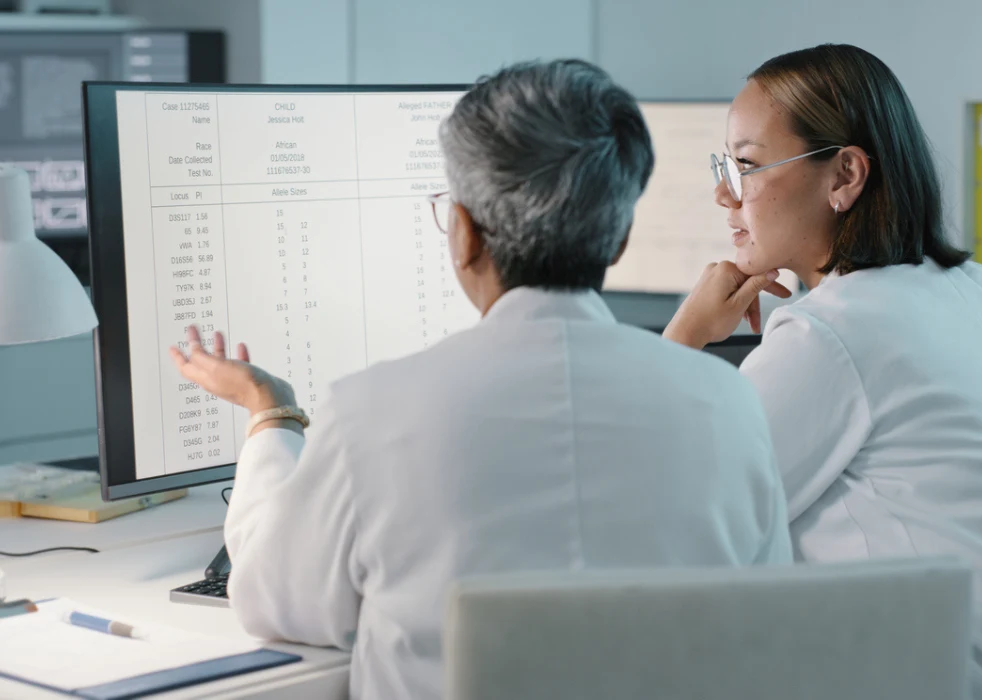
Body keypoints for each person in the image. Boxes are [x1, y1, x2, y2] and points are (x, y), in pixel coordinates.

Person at [169, 59, 792, 700]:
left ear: (463, 234)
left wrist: (271, 415)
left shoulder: (373, 412)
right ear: (620, 238)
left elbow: (276, 601)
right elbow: (764, 617)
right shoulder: (727, 403)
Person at [663, 43, 982, 699]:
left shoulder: (832, 335)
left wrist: (685, 334)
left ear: (845, 176)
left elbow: (667, 518)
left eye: (747, 167)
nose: (722, 195)